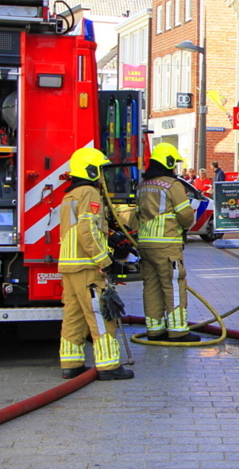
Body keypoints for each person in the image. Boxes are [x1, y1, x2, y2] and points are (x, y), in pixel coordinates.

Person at [58, 147, 134, 380]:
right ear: (91, 170)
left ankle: (71, 363)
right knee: (101, 314)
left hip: (69, 265)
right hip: (87, 265)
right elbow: (87, 230)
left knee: (74, 315)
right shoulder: (89, 193)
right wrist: (105, 260)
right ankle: (109, 366)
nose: (102, 175)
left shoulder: (69, 194)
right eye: (100, 170)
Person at [138, 143, 200, 343]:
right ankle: (178, 330)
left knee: (152, 286)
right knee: (173, 285)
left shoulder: (143, 185)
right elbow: (185, 214)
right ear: (169, 162)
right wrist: (185, 226)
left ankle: (154, 329)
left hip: (145, 245)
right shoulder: (173, 185)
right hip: (167, 245)